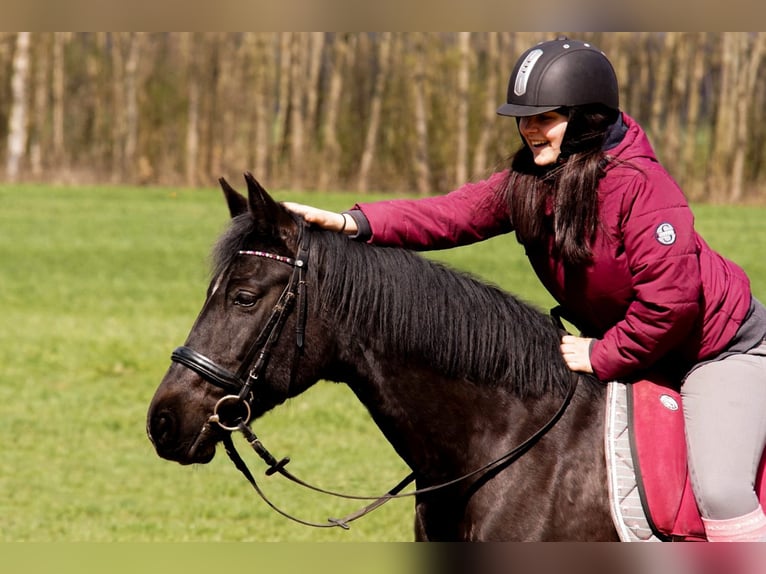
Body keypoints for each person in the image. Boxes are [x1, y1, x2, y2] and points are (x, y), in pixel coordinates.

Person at [284, 36, 766, 542]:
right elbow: (452, 213)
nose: (529, 129)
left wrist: (605, 354)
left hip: (717, 351)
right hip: (637, 349)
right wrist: (350, 222)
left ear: (586, 119)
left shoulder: (644, 187)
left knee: (721, 490)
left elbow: (672, 306)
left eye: (544, 117)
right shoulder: (533, 180)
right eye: (524, 118)